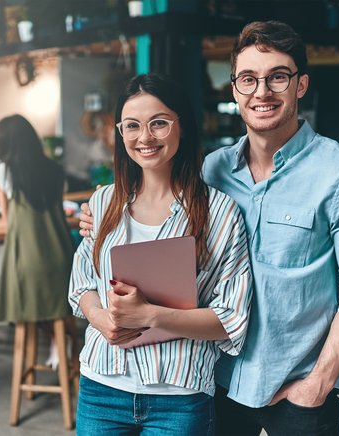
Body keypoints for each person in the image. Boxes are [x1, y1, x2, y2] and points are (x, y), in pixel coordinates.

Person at [80, 21, 339, 435]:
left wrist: (318, 383)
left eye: (278, 76)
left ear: (301, 85)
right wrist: (98, 218)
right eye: (248, 79)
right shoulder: (213, 170)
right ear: (235, 90)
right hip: (215, 382)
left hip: (295, 386)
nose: (262, 92)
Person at [70, 73, 252, 435]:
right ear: (120, 133)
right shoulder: (103, 202)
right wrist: (99, 317)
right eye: (132, 126)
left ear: (181, 126)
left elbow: (230, 319)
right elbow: (81, 285)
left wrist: (150, 316)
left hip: (179, 395)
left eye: (159, 123)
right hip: (102, 386)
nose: (145, 137)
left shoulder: (220, 213)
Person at [0, 114, 74, 367]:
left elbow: (8, 220)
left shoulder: (4, 172)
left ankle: (56, 339)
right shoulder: (55, 170)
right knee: (55, 303)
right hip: (62, 257)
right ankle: (62, 339)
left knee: (23, 302)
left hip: (27, 260)